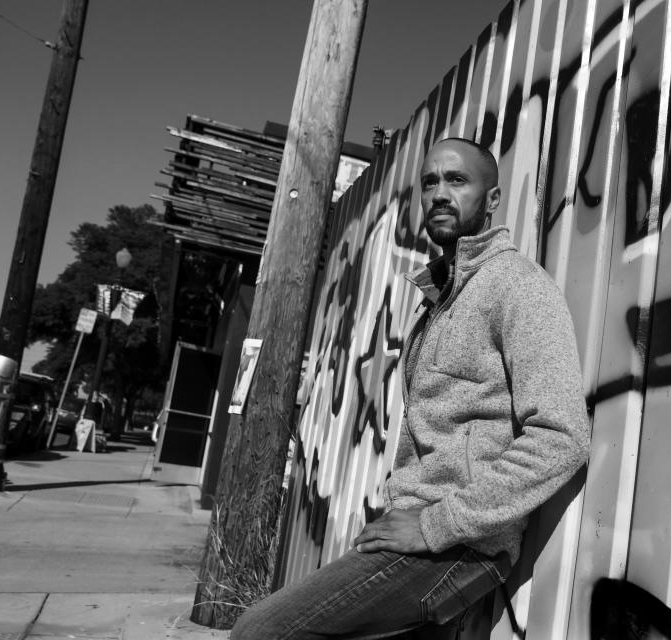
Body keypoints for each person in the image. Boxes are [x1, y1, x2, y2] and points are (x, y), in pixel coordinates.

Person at [231, 138, 590, 639]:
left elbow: (561, 436)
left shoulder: (518, 286)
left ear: (491, 199)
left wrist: (434, 525)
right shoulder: (437, 299)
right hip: (419, 531)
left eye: (457, 180)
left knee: (260, 631)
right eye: (430, 181)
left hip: (460, 544)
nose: (440, 193)